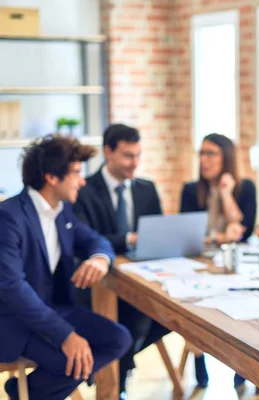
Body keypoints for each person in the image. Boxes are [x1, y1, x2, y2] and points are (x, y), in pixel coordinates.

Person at [0, 134, 132, 400]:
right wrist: (65, 335)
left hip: (51, 308)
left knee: (119, 339)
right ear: (51, 177)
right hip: (13, 319)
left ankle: (23, 393)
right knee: (70, 364)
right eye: (75, 173)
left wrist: (99, 258)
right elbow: (12, 288)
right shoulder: (9, 217)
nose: (82, 181)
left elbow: (97, 240)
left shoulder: (62, 211)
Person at [73, 124, 169, 398]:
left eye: (138, 155)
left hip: (144, 272)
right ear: (108, 152)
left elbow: (157, 232)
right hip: (100, 279)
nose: (134, 163)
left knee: (169, 317)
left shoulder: (146, 188)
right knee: (137, 315)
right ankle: (118, 380)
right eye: (128, 156)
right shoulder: (84, 190)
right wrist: (129, 239)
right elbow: (87, 238)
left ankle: (119, 364)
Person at [180, 133, 257, 390]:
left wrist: (225, 193)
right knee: (193, 308)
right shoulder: (191, 191)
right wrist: (221, 236)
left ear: (226, 157)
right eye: (201, 153)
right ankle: (199, 363)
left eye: (211, 153)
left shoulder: (246, 188)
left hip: (235, 265)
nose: (204, 159)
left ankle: (244, 369)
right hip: (199, 263)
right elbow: (189, 235)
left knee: (246, 309)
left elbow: (243, 230)